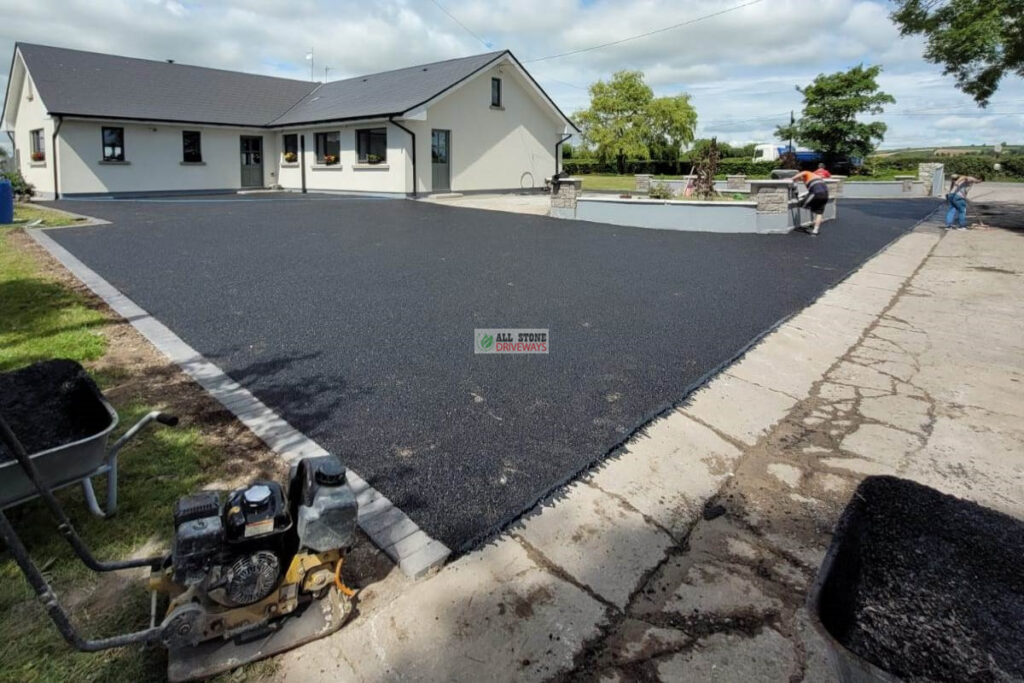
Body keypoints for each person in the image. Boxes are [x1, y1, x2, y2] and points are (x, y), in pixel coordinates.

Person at [792, 170, 829, 235]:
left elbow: (804, 172)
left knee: (800, 204)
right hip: (825, 195)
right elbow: (813, 189)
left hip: (817, 193)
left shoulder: (807, 173)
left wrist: (792, 178)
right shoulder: (816, 177)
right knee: (819, 213)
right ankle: (815, 230)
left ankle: (809, 210)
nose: (801, 180)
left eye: (800, 178)